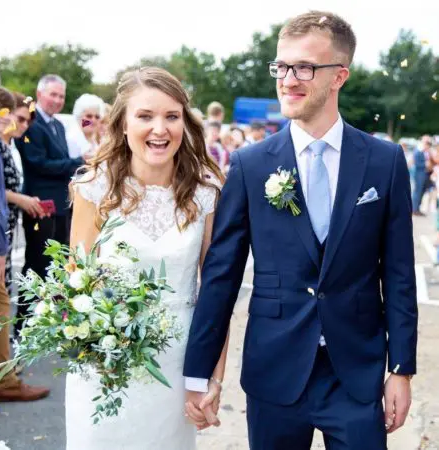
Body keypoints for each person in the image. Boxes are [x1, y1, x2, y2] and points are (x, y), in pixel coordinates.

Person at [184, 11, 417, 450]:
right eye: (282, 66)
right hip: (275, 369)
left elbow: (400, 273)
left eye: (305, 67)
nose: (288, 79)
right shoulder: (251, 165)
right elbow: (221, 276)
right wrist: (199, 373)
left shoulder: (384, 163)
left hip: (356, 375)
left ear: (339, 76)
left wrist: (400, 369)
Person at [66, 67, 227, 449]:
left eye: (172, 116)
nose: (160, 129)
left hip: (176, 366)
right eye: (145, 116)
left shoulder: (205, 193)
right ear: (122, 123)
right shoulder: (94, 189)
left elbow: (216, 293)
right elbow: (75, 285)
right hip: (103, 368)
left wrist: (211, 378)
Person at [0, 86, 49, 401]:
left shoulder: (0, 144)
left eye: (9, 113)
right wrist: (0, 248)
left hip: (1, 230)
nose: (8, 119)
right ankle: (5, 381)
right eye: (0, 111)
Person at [14, 75, 84, 333]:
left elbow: (61, 162)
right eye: (53, 94)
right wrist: (78, 161)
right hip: (39, 205)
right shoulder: (30, 125)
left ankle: (47, 325)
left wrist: (72, 163)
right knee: (36, 265)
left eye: (61, 96)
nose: (57, 100)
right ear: (39, 94)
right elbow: (38, 164)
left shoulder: (58, 126)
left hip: (61, 206)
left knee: (58, 266)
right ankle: (22, 328)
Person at [0, 92, 46, 295]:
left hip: (8, 226)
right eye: (20, 119)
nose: (24, 125)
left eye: (28, 121)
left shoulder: (14, 146)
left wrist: (26, 199)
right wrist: (20, 199)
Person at [66, 93, 105, 160]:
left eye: (97, 117)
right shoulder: (71, 139)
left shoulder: (96, 140)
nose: (93, 120)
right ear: (79, 117)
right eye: (89, 116)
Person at [412, 135, 433, 216]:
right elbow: (417, 164)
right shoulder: (418, 151)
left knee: (421, 192)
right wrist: (426, 165)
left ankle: (417, 208)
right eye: (427, 142)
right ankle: (414, 209)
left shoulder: (424, 151)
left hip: (424, 174)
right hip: (419, 174)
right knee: (417, 192)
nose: (428, 144)